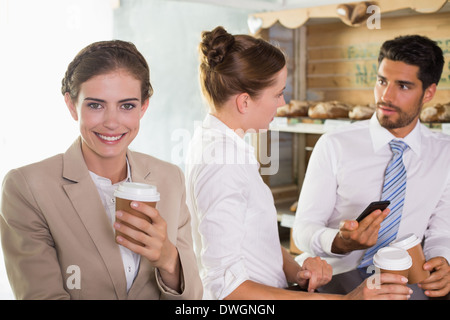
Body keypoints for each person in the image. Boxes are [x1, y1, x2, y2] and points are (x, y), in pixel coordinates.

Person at [185, 26, 412, 300]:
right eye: (277, 93)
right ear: (245, 102)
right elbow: (226, 290)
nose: (282, 103)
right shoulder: (221, 163)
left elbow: (253, 239)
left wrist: (296, 271)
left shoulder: (226, 148)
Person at [0, 40, 202, 299]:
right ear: (72, 106)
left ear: (143, 107)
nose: (111, 122)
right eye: (95, 105)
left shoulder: (169, 179)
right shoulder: (28, 187)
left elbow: (193, 299)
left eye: (127, 106)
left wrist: (168, 260)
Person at [293, 35, 450, 298]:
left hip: (408, 281)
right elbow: (303, 230)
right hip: (337, 278)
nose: (386, 96)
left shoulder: (445, 152)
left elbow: (441, 229)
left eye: (403, 86)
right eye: (381, 81)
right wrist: (341, 243)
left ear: (429, 93)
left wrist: (443, 261)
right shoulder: (334, 144)